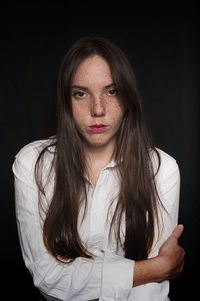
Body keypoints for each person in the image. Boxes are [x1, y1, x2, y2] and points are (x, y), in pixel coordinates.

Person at [12, 37, 185, 301]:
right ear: (66, 101)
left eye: (111, 91)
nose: (98, 109)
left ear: (128, 97)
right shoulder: (33, 164)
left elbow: (150, 291)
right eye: (81, 93)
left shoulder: (162, 170)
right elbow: (47, 276)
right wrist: (155, 268)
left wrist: (150, 273)